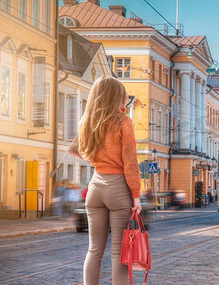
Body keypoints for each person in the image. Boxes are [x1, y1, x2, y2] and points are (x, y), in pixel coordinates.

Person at [78, 76, 142, 285]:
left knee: (94, 250)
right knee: (118, 253)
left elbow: (81, 152)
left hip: (95, 186)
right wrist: (136, 196)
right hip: (117, 187)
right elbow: (130, 161)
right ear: (118, 97)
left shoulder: (87, 122)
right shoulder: (123, 121)